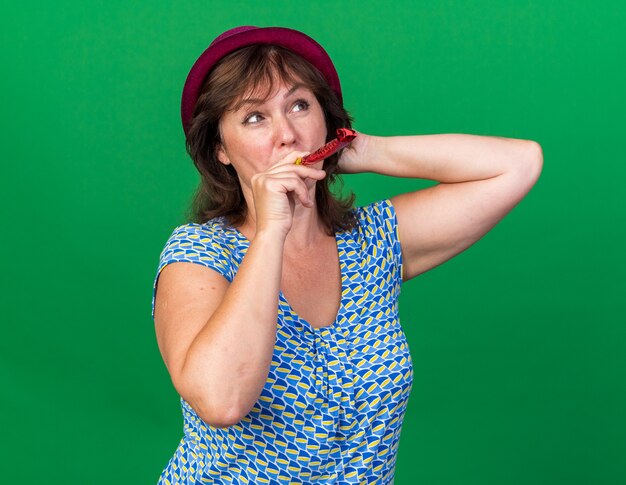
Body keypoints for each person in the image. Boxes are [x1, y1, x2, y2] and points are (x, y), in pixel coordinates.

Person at [151, 26, 542, 484]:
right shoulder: (199, 254)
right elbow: (222, 401)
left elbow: (519, 165)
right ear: (220, 148)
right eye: (254, 117)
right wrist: (272, 229)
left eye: (299, 106)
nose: (287, 135)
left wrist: (364, 148)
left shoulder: (372, 243)